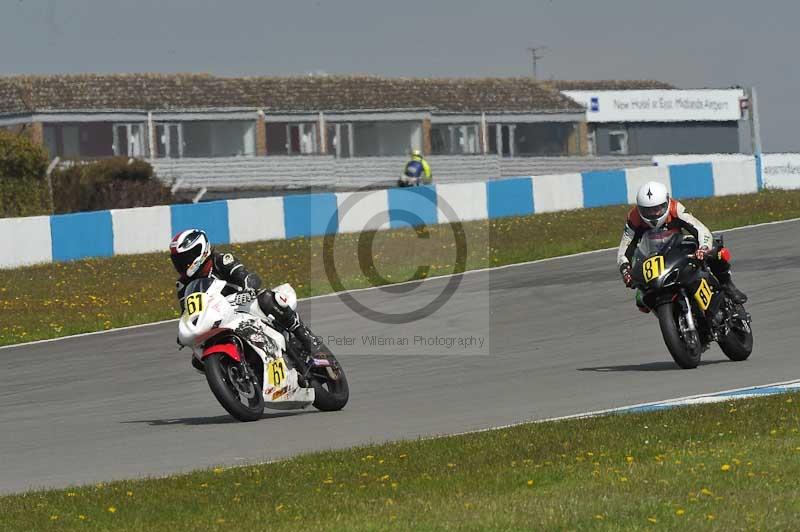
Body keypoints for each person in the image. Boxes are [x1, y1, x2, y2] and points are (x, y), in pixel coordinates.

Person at [169, 229, 321, 369]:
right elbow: (189, 310)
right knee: (197, 361)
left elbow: (244, 275)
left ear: (200, 251)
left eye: (186, 259)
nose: (182, 265)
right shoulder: (183, 284)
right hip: (218, 317)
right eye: (178, 261)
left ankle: (306, 338)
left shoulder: (220, 260)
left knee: (268, 299)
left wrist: (248, 286)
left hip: (244, 303)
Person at [617, 181, 747, 313]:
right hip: (653, 257)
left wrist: (703, 248)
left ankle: (727, 284)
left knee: (716, 249)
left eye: (658, 208)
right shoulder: (634, 218)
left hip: (676, 248)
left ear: (667, 202)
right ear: (639, 209)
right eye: (648, 210)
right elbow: (625, 247)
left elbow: (700, 229)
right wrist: (625, 270)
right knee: (641, 301)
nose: (654, 214)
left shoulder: (675, 209)